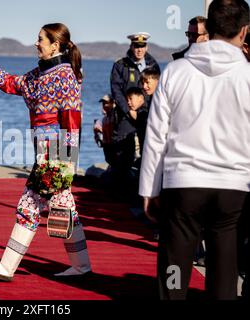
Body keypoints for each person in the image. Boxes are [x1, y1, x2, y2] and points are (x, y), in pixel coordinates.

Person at [139, 0, 250, 300]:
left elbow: (156, 136)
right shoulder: (247, 76)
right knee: (224, 267)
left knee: (175, 267)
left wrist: (149, 188)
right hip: (233, 188)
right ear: (244, 31)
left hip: (183, 185)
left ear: (208, 29)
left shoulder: (175, 72)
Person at [0, 23, 92, 281]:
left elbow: (71, 119)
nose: (36, 42)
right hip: (46, 151)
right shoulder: (38, 74)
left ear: (55, 45)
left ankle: (7, 266)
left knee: (29, 206)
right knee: (64, 208)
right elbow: (13, 83)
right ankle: (82, 266)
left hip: (56, 152)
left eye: (40, 39)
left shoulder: (65, 76)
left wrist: (65, 162)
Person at [110, 32, 160, 194]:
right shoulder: (121, 65)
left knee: (148, 151)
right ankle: (120, 191)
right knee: (123, 152)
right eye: (136, 46)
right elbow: (116, 90)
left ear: (147, 46)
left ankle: (143, 191)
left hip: (146, 115)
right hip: (126, 115)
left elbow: (157, 88)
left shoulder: (153, 64)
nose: (139, 49)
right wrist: (129, 109)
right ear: (131, 46)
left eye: (142, 46)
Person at [93, 94, 116, 167]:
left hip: (114, 146)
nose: (105, 105)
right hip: (107, 146)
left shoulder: (115, 116)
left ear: (113, 103)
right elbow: (99, 142)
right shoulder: (103, 119)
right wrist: (97, 133)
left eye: (107, 103)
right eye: (103, 103)